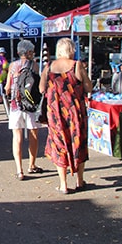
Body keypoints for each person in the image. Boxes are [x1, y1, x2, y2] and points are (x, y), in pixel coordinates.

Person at [39, 38, 93, 194]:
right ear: (71, 49)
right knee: (79, 143)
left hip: (55, 114)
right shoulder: (76, 65)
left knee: (59, 145)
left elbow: (41, 88)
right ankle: (80, 181)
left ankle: (63, 184)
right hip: (75, 113)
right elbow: (88, 87)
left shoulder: (48, 67)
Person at [5, 40, 42, 180]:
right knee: (33, 134)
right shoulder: (35, 65)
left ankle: (19, 170)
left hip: (16, 104)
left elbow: (8, 87)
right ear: (28, 52)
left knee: (17, 137)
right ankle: (32, 165)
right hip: (31, 105)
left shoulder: (13, 66)